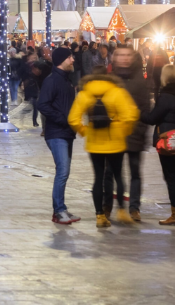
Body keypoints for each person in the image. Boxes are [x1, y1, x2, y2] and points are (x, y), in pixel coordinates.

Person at [69, 64, 139, 227]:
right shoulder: (117, 92)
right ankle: (121, 211)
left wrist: (85, 131)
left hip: (94, 143)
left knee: (98, 178)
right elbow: (131, 115)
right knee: (118, 176)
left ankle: (100, 215)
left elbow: (72, 119)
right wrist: (123, 130)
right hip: (115, 142)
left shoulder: (84, 93)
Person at [141, 64, 175, 225]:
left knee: (171, 176)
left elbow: (152, 118)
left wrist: (138, 113)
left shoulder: (166, 96)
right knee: (172, 174)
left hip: (167, 140)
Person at [35, 47, 81, 224]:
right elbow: (43, 105)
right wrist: (63, 119)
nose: (72, 60)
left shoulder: (66, 81)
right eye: (70, 57)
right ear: (62, 60)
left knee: (64, 171)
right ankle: (59, 210)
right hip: (56, 132)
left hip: (66, 132)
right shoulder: (52, 80)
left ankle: (61, 208)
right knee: (63, 171)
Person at [105, 48, 149, 222]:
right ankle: (107, 205)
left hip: (134, 133)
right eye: (120, 55)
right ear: (114, 58)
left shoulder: (140, 80)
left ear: (133, 57)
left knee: (135, 172)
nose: (124, 58)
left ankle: (134, 207)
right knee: (110, 173)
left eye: (127, 55)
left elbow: (145, 108)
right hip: (113, 134)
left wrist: (139, 129)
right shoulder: (110, 80)